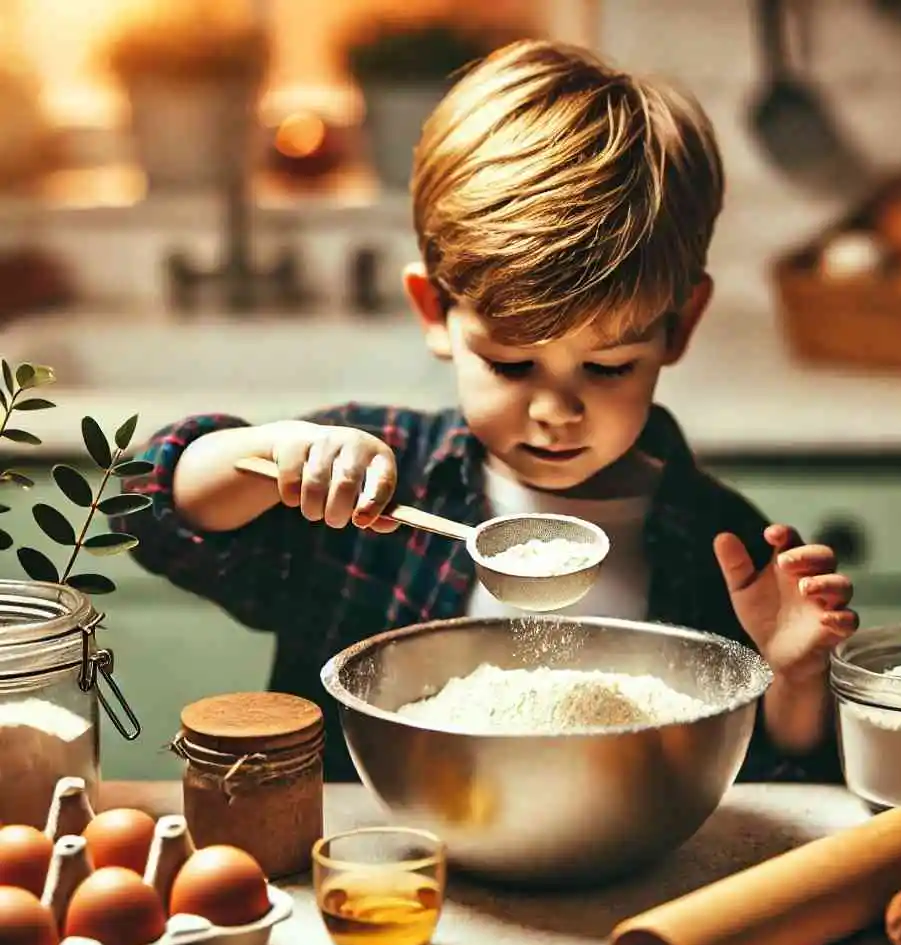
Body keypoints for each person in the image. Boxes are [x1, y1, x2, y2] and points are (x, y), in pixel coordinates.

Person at [112, 40, 857, 784]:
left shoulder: (717, 545)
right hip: (384, 873)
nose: (556, 411)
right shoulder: (374, 484)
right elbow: (139, 506)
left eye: (608, 368)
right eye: (510, 363)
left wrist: (794, 679)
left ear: (680, 326)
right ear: (434, 312)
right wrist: (274, 458)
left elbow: (770, 779)